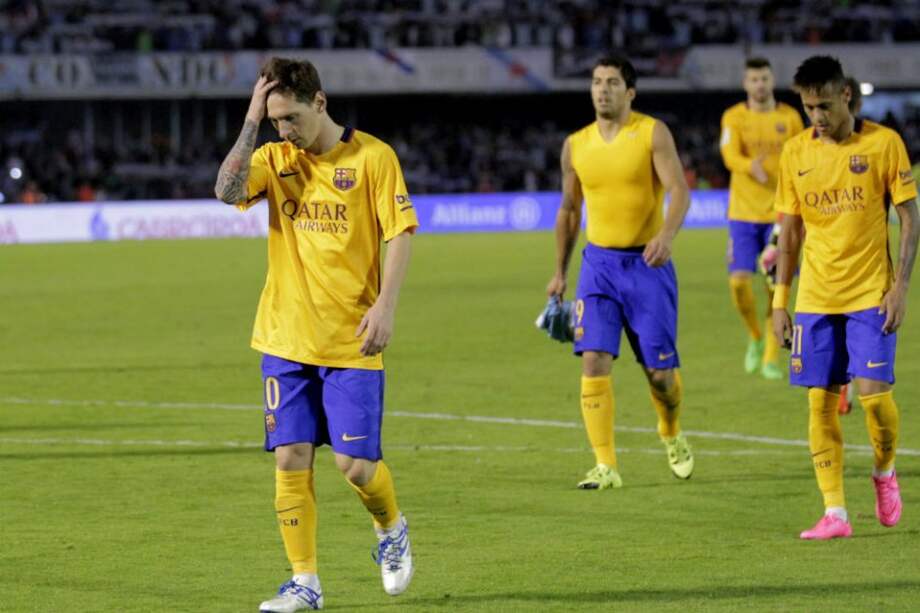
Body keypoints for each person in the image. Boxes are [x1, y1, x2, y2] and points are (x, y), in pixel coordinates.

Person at [214, 57, 418, 610]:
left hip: (352, 337)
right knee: (290, 457)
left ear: (320, 103)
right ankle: (305, 582)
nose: (287, 131)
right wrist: (253, 119)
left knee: (355, 466)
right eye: (276, 120)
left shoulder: (373, 157)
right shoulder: (273, 156)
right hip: (283, 335)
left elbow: (399, 234)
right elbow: (226, 191)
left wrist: (386, 306)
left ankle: (391, 527)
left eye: (291, 118)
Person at [772, 55, 919, 540]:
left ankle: (885, 470)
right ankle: (835, 512)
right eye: (809, 107)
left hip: (869, 294)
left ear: (846, 96)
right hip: (815, 297)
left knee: (876, 403)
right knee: (820, 402)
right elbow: (789, 235)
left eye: (825, 105)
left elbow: (910, 220)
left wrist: (900, 288)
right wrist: (779, 301)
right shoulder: (794, 153)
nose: (817, 117)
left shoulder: (883, 144)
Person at [546, 54, 693, 490]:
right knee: (593, 359)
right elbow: (570, 211)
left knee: (661, 376)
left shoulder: (651, 133)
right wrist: (559, 271)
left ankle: (670, 431)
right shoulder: (576, 145)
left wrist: (666, 236)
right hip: (599, 267)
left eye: (611, 82)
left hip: (648, 266)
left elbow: (679, 190)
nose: (602, 89)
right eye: (596, 81)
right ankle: (605, 465)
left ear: (630, 92)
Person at [719, 57, 804, 380]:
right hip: (742, 213)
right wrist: (747, 166)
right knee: (739, 281)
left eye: (764, 78)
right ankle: (755, 335)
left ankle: (770, 355)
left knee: (775, 286)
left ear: (772, 80)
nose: (760, 85)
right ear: (745, 84)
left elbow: (802, 154)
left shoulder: (790, 117)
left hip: (780, 216)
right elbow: (729, 154)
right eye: (753, 79)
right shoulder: (734, 117)